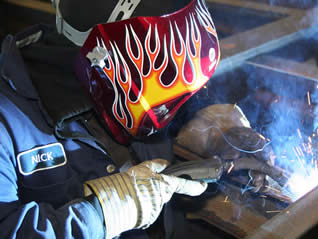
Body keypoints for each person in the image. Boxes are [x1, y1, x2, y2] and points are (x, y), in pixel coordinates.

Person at [0, 0, 221, 238]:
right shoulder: (7, 118)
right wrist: (104, 213)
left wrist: (220, 131)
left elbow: (189, 108)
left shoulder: (143, 76)